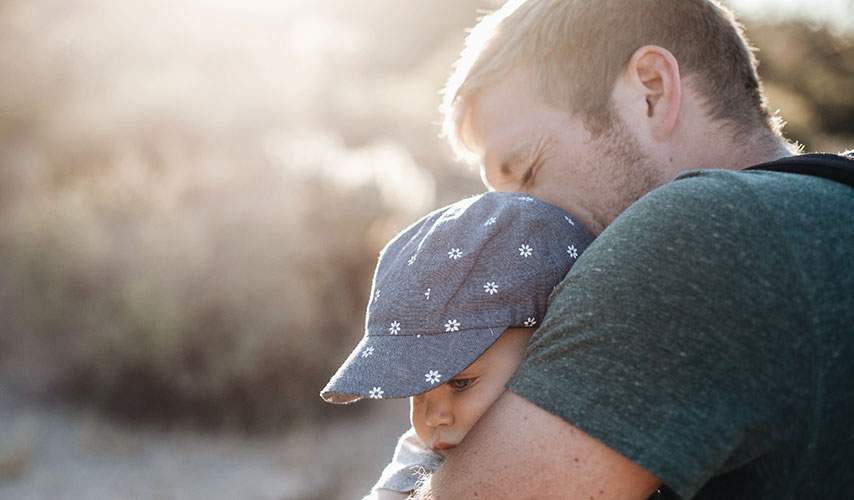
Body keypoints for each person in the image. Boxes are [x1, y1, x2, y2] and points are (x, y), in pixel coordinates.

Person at [408, 0, 854, 498]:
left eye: (529, 171)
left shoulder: (696, 234)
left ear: (651, 89)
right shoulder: (827, 209)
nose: (514, 227)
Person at [319, 192, 594, 499]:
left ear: (546, 346)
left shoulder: (595, 445)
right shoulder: (422, 460)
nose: (433, 417)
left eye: (461, 383)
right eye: (417, 391)